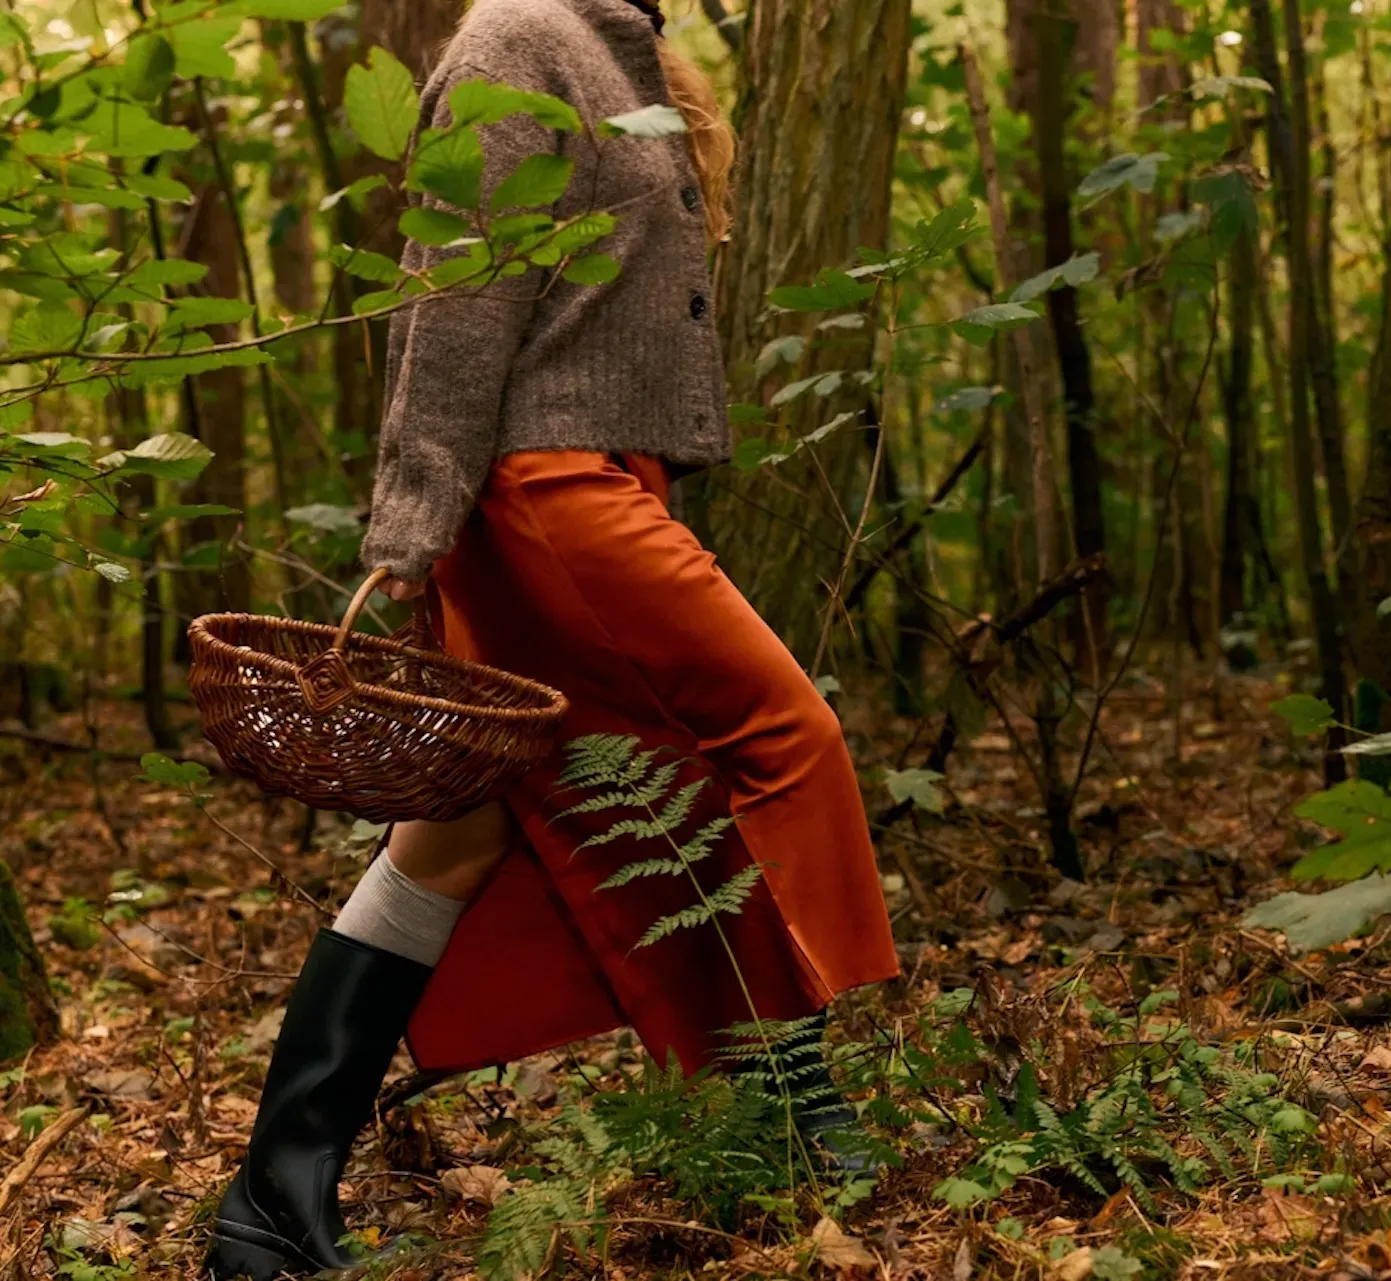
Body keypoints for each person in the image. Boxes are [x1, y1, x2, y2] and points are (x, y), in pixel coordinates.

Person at [204, 1, 900, 1275]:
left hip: (603, 484)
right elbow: (455, 295)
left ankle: (270, 1203)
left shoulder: (625, 56)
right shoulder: (515, 38)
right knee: (778, 734)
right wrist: (410, 527)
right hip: (542, 489)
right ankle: (792, 1103)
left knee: (465, 833)